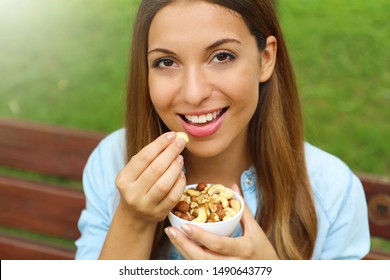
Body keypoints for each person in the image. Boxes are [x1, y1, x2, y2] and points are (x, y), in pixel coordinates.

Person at [75, 0, 370, 260]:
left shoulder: (332, 192)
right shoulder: (112, 162)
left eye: (222, 56)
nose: (193, 93)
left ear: (265, 59)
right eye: (166, 62)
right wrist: (133, 218)